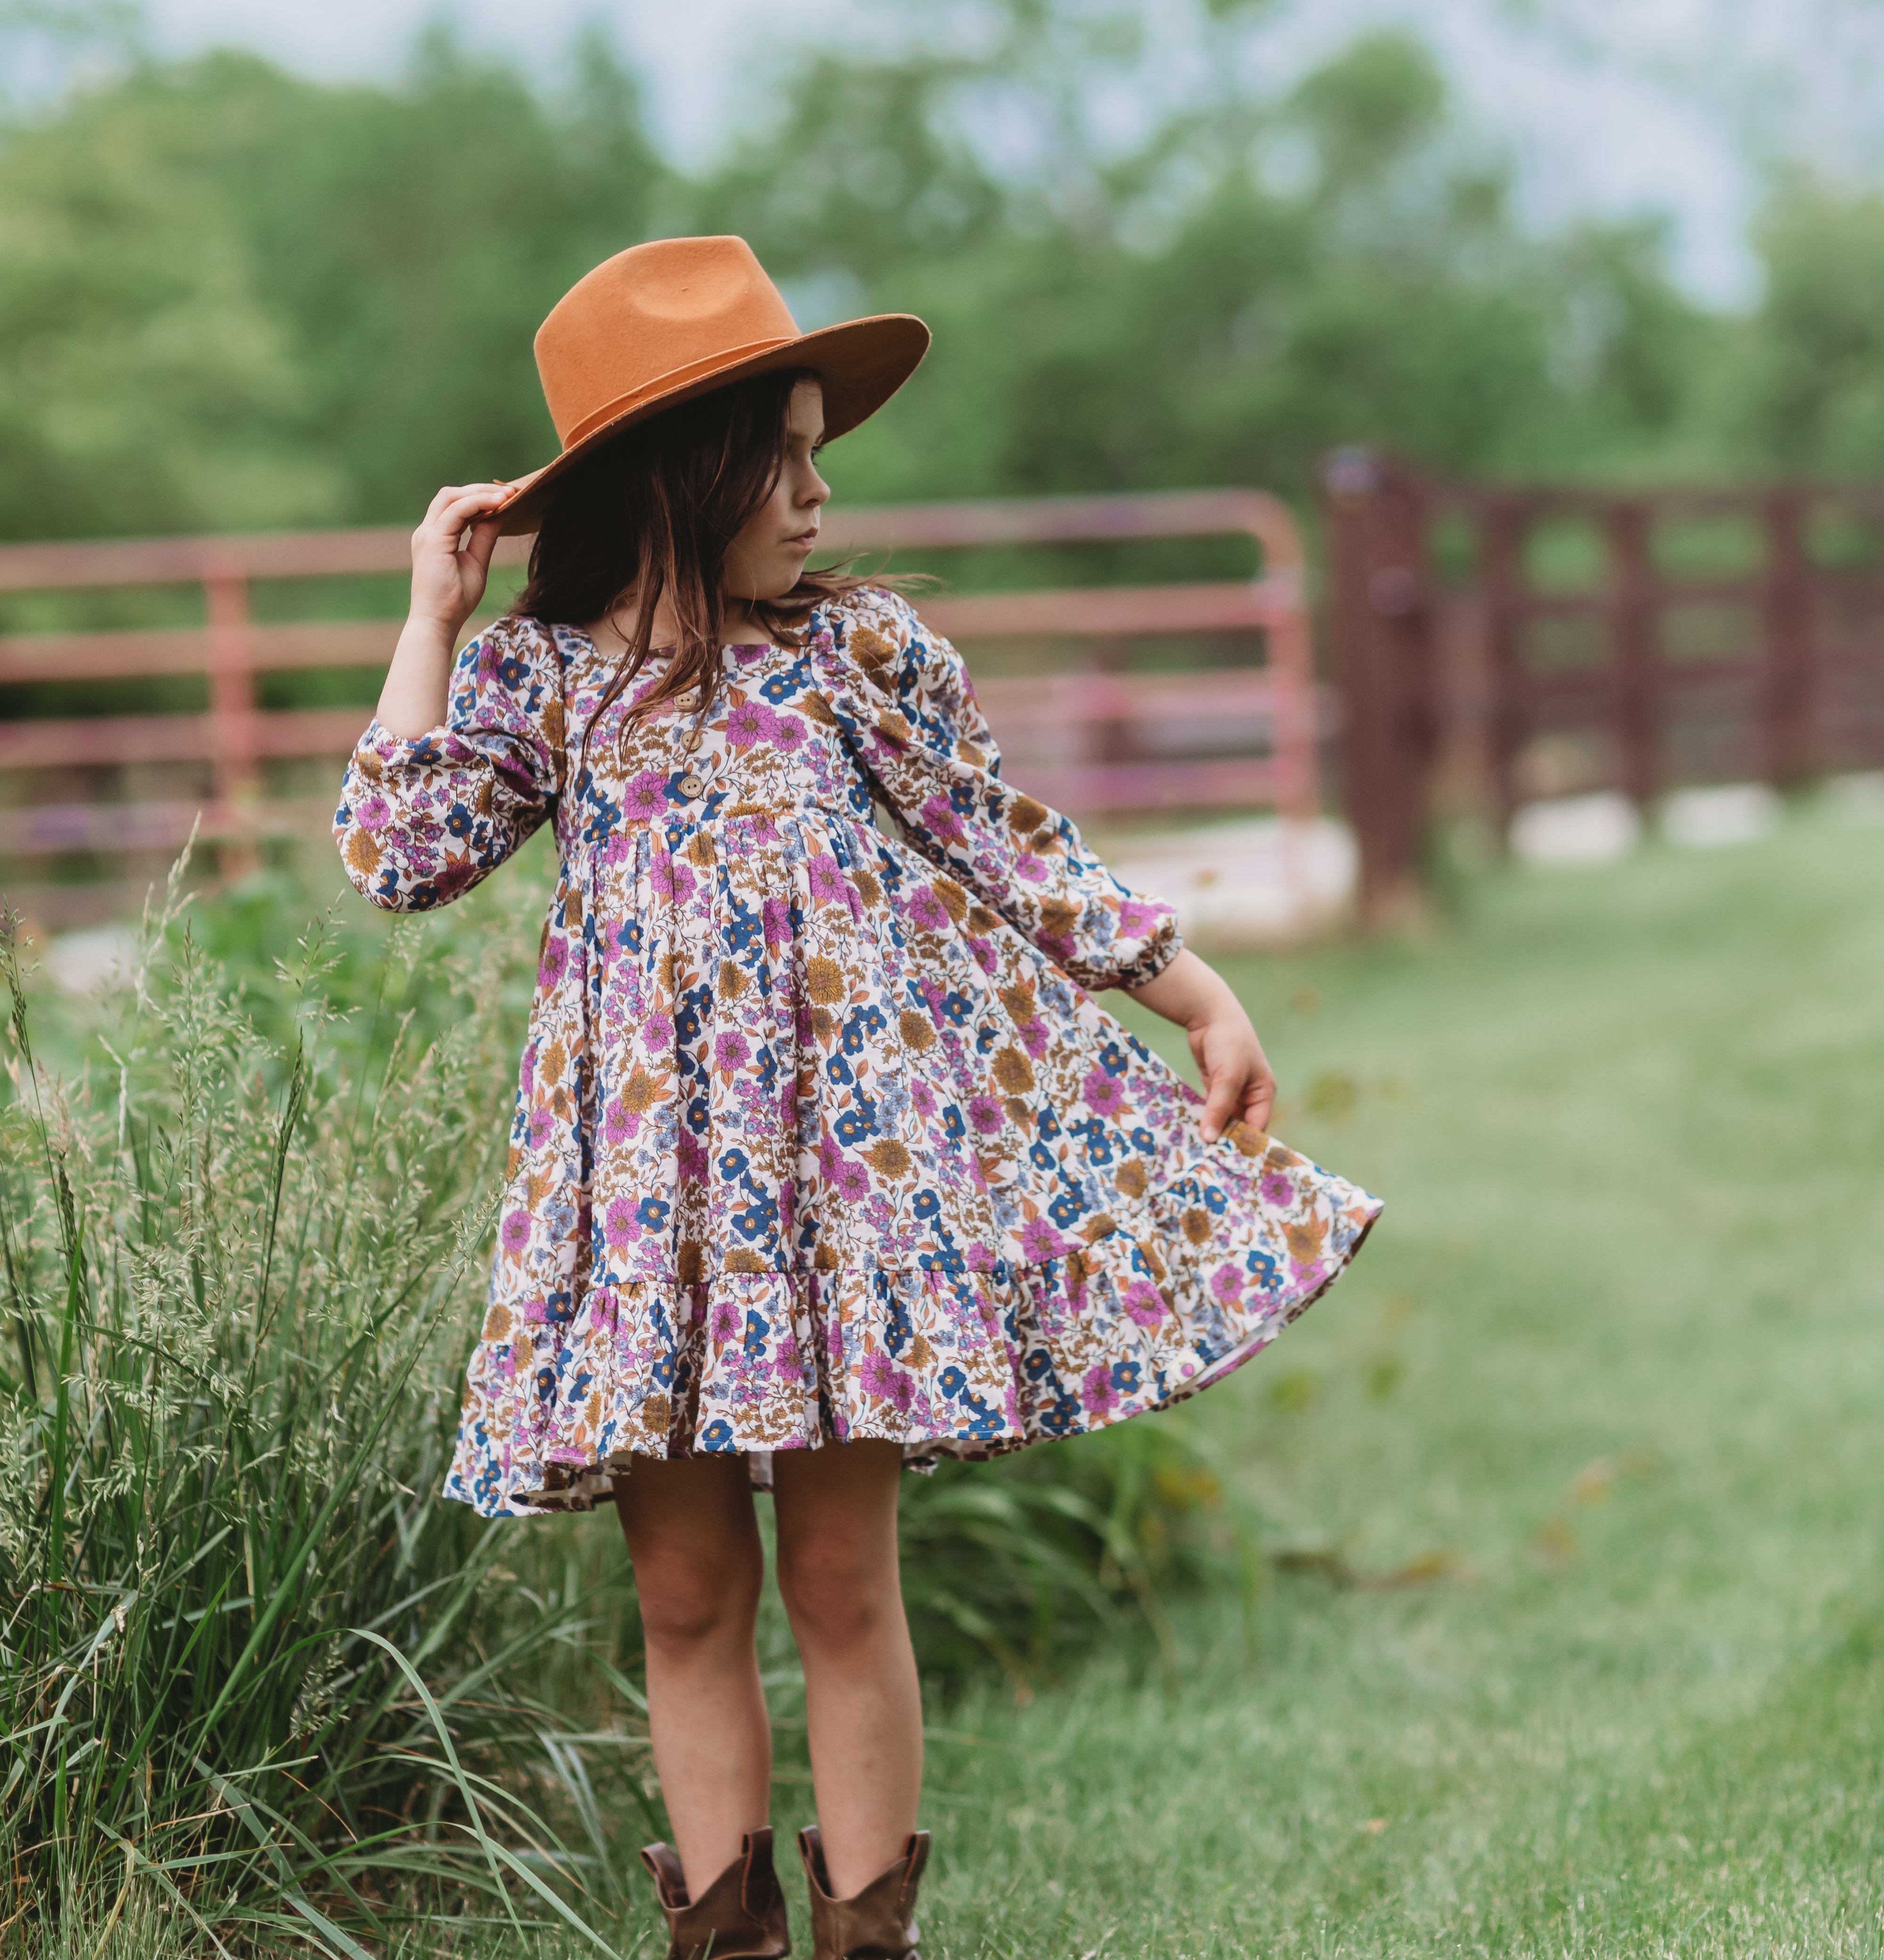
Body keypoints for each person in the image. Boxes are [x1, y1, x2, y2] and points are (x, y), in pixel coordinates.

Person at [335, 235, 1381, 1960]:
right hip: (651, 1206)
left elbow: (1006, 840)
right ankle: (725, 1937)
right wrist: (431, 618)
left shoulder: (850, 661)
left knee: (836, 1579)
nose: (821, 494)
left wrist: (1190, 989)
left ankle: (866, 1937)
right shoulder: (548, 684)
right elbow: (392, 852)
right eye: (787, 456)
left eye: (825, 453)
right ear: (682, 474)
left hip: (842, 1201)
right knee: (685, 1593)